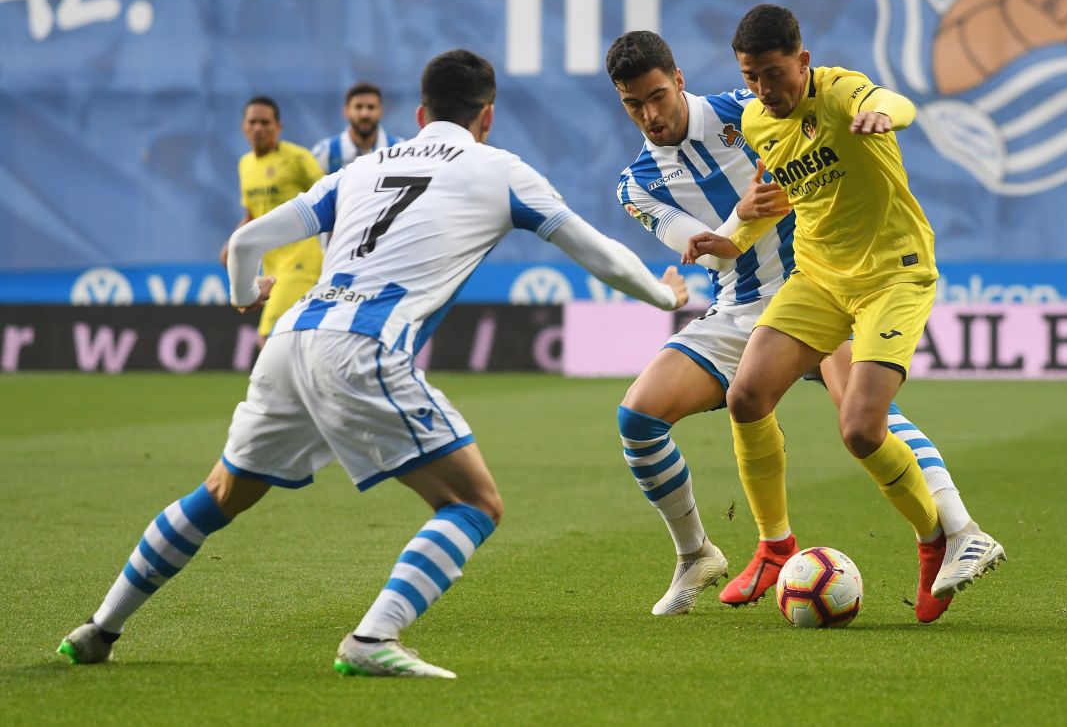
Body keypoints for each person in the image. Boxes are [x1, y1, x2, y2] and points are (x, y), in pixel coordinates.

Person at [59, 49, 688, 679]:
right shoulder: (499, 169)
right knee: (475, 503)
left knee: (220, 493)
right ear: (487, 116)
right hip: (366, 345)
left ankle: (99, 627)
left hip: (294, 337)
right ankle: (372, 638)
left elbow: (249, 240)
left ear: (419, 113)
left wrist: (243, 293)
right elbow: (597, 252)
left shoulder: (360, 170)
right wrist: (666, 297)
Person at [609, 30, 989, 622]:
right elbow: (709, 252)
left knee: (865, 418)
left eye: (658, 95)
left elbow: (838, 126)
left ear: (679, 79)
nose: (651, 115)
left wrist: (876, 116)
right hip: (737, 307)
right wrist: (742, 213)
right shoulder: (636, 185)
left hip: (818, 283)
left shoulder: (751, 108)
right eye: (634, 104)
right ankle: (699, 554)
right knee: (638, 418)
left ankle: (953, 529)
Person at [222, 96, 325, 346]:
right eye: (253, 122)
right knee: (295, 341)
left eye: (265, 122)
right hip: (271, 264)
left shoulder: (297, 159)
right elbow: (252, 214)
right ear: (243, 127)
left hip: (302, 260)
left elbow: (330, 197)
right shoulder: (246, 164)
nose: (258, 128)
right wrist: (231, 245)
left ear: (278, 127)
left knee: (269, 337)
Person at [311, 82, 405, 174]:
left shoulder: (401, 150)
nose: (364, 114)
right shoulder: (325, 152)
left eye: (371, 107)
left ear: (381, 111)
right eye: (358, 107)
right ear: (346, 111)